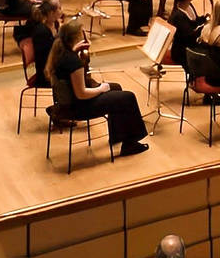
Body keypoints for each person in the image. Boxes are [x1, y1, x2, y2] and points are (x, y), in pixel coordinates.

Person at [45, 19, 149, 157]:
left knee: (116, 87)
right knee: (128, 97)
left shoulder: (61, 53)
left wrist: (76, 50)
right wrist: (102, 88)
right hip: (80, 107)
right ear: (76, 37)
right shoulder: (73, 62)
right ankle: (130, 144)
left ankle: (117, 135)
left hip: (69, 102)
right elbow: (81, 94)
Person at [13, 0, 63, 86]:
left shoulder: (55, 23)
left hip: (54, 66)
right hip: (46, 75)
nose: (61, 10)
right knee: (75, 71)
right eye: (59, 8)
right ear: (51, 13)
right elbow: (48, 57)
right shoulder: (41, 31)